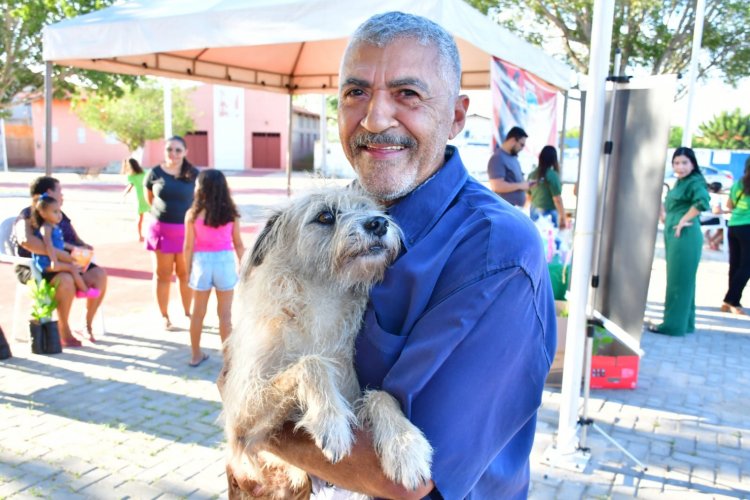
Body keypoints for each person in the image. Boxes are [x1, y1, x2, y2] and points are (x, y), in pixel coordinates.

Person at [224, 12, 556, 499]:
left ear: (457, 117)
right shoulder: (337, 210)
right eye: (356, 93)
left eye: (408, 94)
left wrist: (247, 414)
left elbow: (402, 480)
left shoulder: (496, 252)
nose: (375, 118)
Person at [13, 176, 108, 345]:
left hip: (69, 261)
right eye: (60, 191)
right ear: (49, 192)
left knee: (99, 275)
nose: (62, 195)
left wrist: (83, 247)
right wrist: (60, 255)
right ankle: (64, 329)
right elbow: (25, 241)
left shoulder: (59, 214)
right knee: (66, 279)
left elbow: (73, 237)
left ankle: (86, 324)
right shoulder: (27, 214)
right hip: (39, 265)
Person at [184, 169, 245, 367]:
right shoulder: (231, 214)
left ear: (200, 188)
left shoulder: (192, 215)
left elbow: (188, 246)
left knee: (198, 313)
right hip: (225, 263)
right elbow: (238, 244)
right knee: (225, 315)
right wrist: (245, 267)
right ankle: (228, 360)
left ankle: (195, 355)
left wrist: (187, 271)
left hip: (201, 264)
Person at [648, 147, 710, 336]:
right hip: (675, 235)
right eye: (676, 163)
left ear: (693, 163)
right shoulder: (681, 182)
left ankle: (672, 326)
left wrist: (683, 220)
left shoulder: (695, 181)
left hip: (684, 236)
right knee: (684, 279)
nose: (680, 167)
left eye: (684, 163)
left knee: (678, 280)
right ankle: (686, 323)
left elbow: (702, 202)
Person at [144, 136, 199, 331]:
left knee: (185, 274)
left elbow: (199, 200)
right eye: (169, 149)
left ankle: (188, 313)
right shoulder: (154, 173)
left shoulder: (193, 174)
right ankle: (164, 316)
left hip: (186, 232)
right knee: (162, 275)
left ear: (185, 152)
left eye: (177, 150)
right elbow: (149, 199)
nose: (173, 154)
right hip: (162, 230)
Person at [30, 194, 100, 299]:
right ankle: (84, 290)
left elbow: (61, 244)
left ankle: (81, 288)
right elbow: (48, 245)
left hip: (55, 259)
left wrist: (76, 249)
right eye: (55, 212)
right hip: (47, 262)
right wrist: (55, 262)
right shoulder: (46, 228)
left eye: (59, 211)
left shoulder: (55, 227)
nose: (59, 215)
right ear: (43, 214)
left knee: (78, 263)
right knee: (72, 268)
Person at [721, 157, 750, 315]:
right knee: (746, 266)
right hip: (748, 228)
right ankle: (731, 299)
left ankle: (731, 302)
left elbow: (729, 205)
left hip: (734, 225)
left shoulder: (738, 183)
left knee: (735, 264)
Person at [487, 125, 533, 207]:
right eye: (521, 144)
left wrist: (527, 184)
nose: (522, 148)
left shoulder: (513, 157)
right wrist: (520, 186)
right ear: (512, 140)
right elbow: (496, 186)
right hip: (505, 208)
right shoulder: (497, 158)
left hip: (514, 208)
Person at [528, 145, 568, 228]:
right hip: (548, 213)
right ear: (554, 159)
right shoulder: (552, 175)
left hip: (534, 210)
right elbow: (557, 199)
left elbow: (528, 196)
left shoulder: (532, 175)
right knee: (550, 239)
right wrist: (563, 217)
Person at [122, 158, 150, 242]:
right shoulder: (144, 172)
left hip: (140, 199)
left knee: (140, 218)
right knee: (154, 217)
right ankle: (149, 235)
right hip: (148, 196)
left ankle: (140, 236)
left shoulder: (131, 177)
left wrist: (124, 194)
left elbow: (130, 187)